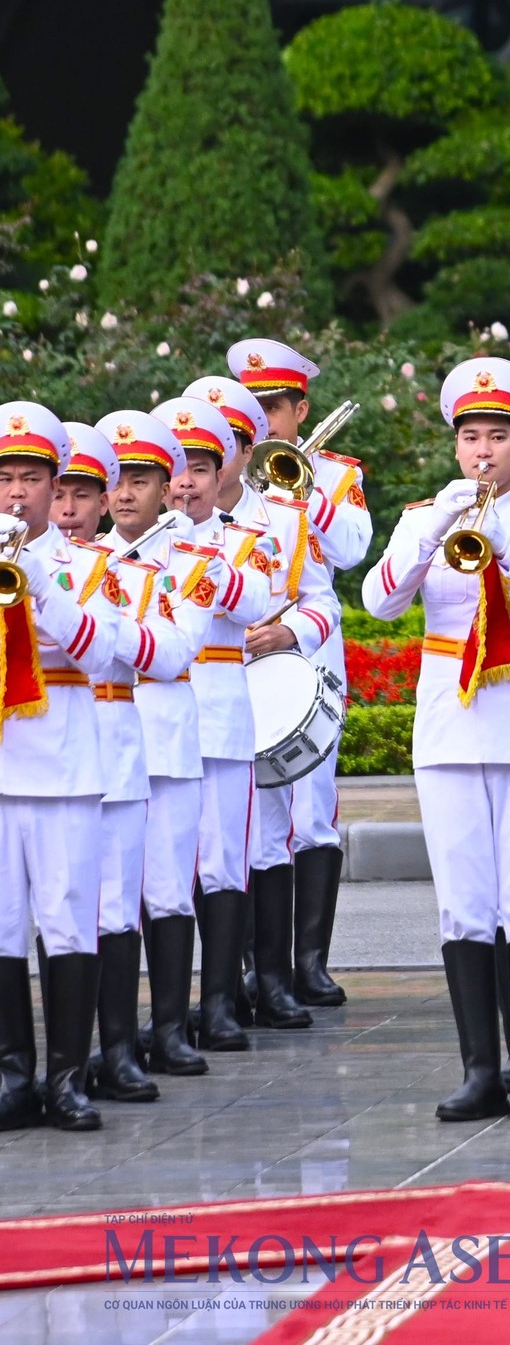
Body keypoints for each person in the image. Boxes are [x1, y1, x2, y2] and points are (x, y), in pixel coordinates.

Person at [361, 357, 510, 1123]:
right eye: (471, 437)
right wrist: (436, 528)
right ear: (455, 445)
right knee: (464, 903)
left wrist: (508, 541)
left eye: (498, 436)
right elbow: (381, 599)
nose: (483, 451)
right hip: (450, 728)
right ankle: (477, 1069)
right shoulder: (425, 515)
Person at [0, 404, 141, 1131]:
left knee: (66, 923)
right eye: (6, 479)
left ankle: (66, 1077)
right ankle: (11, 1075)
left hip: (63, 764)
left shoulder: (91, 565)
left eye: (32, 479)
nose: (18, 494)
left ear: (57, 486)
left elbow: (103, 653)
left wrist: (38, 586)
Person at [186, 373, 341, 1031]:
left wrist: (291, 630)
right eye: (198, 454)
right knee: (196, 846)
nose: (212, 465)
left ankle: (272, 977)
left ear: (248, 454)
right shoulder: (168, 524)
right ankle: (219, 983)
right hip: (188, 695)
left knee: (268, 835)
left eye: (229, 447)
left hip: (264, 688)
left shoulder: (282, 516)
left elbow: (323, 601)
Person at [55, 424, 205, 1104]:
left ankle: (116, 1050)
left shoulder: (138, 572)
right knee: (61, 913)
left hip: (113, 746)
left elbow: (171, 654)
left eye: (86, 493)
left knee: (118, 906)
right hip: (40, 752)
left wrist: (105, 621)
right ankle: (63, 1058)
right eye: (67, 493)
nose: (73, 509)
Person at [228, 337, 373, 1011]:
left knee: (312, 807)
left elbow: (350, 550)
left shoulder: (336, 473)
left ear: (300, 408)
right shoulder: (222, 472)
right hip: (245, 649)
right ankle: (265, 969)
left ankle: (309, 962)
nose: (264, 422)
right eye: (252, 409)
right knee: (256, 812)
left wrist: (301, 483)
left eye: (275, 408)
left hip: (309, 648)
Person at [153, 394, 278, 1055]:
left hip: (223, 716)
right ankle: (167, 1013)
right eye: (176, 472)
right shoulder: (139, 545)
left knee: (225, 861)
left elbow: (257, 597)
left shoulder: (240, 539)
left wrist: (201, 562)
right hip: (163, 722)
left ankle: (221, 1002)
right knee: (166, 868)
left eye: (200, 469)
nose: (186, 484)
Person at [95, 411, 217, 1076]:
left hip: (165, 742)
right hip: (109, 746)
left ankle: (169, 1028)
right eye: (115, 480)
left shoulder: (192, 559)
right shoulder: (85, 555)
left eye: (139, 480)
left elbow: (174, 654)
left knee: (169, 888)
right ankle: (113, 1040)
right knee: (111, 896)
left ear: (167, 487)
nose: (123, 494)